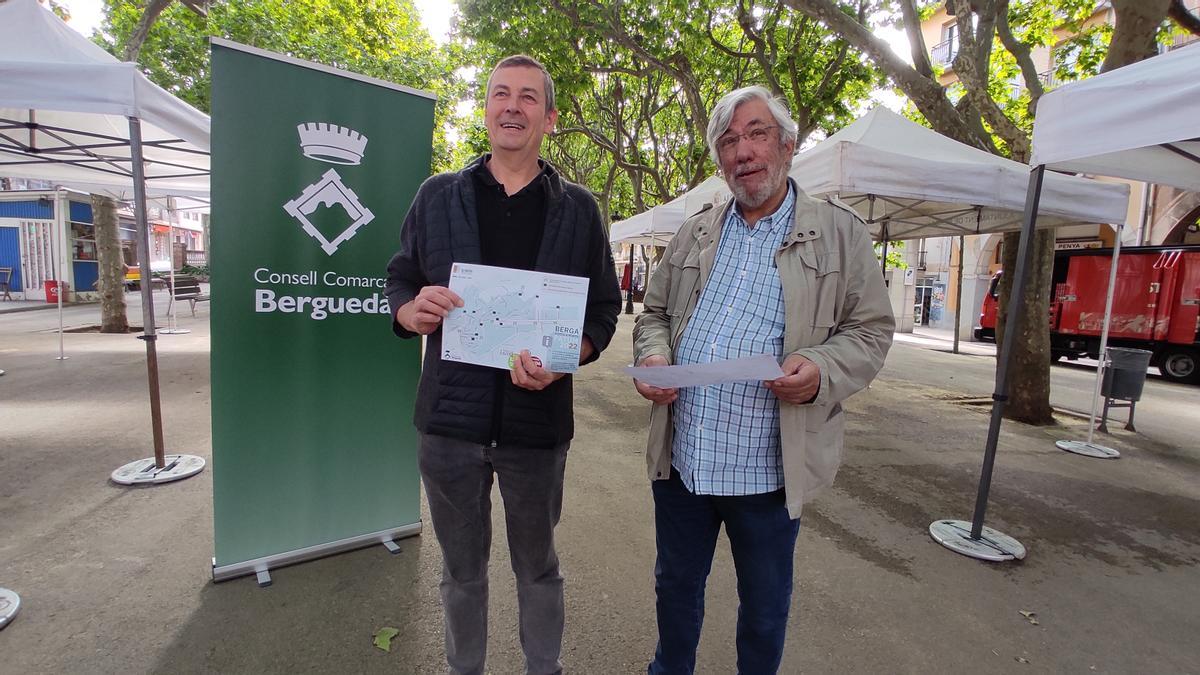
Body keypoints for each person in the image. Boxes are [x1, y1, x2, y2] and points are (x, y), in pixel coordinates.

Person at [631, 86, 894, 674]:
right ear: (720, 159)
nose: (743, 150)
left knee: (764, 613)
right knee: (675, 596)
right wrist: (653, 358)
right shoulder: (695, 232)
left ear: (788, 144)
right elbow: (652, 315)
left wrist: (822, 369)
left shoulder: (840, 233)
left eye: (756, 133)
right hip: (684, 461)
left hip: (769, 473)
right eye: (728, 141)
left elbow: (871, 332)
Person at [385, 54, 621, 675]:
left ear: (550, 118)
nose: (511, 106)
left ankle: (544, 668)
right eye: (499, 94)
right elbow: (401, 277)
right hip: (449, 428)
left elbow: (602, 310)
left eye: (527, 97)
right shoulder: (437, 197)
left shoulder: (579, 211)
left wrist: (567, 359)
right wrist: (412, 312)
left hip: (536, 431)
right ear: (485, 108)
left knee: (538, 569)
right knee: (461, 574)